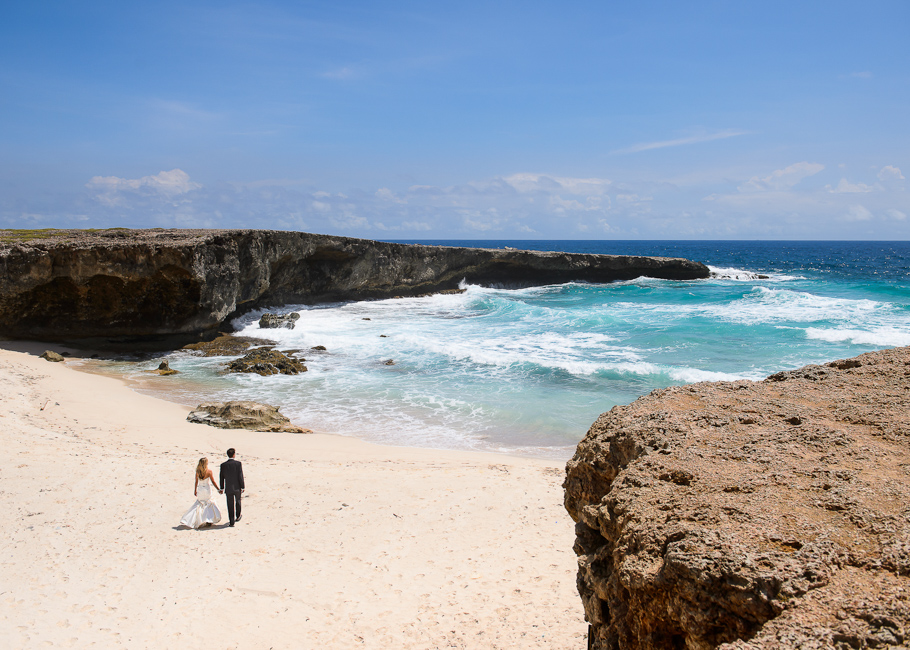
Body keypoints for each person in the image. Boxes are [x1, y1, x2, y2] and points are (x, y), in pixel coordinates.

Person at [179, 457, 222, 529]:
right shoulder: (209, 472)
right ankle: (209, 520)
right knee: (208, 503)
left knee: (200, 504)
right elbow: (213, 482)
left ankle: (198, 520)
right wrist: (218, 489)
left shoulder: (198, 471)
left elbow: (196, 481)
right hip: (207, 489)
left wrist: (195, 490)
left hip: (200, 489)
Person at [219, 448, 245, 527]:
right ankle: (238, 516)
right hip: (237, 487)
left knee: (230, 504)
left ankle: (231, 521)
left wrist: (222, 487)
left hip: (228, 488)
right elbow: (240, 476)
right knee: (238, 501)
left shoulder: (223, 465)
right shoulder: (238, 464)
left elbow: (221, 477)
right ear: (234, 454)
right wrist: (242, 486)